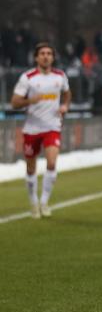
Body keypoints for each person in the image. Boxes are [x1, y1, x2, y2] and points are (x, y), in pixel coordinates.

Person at [10, 43, 71, 218]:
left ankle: (44, 202)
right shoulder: (28, 77)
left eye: (49, 53)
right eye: (42, 53)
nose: (46, 56)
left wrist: (65, 106)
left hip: (52, 126)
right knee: (31, 168)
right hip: (32, 128)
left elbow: (67, 93)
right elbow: (14, 102)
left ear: (53, 57)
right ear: (36, 57)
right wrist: (30, 100)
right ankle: (33, 203)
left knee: (51, 163)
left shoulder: (60, 76)